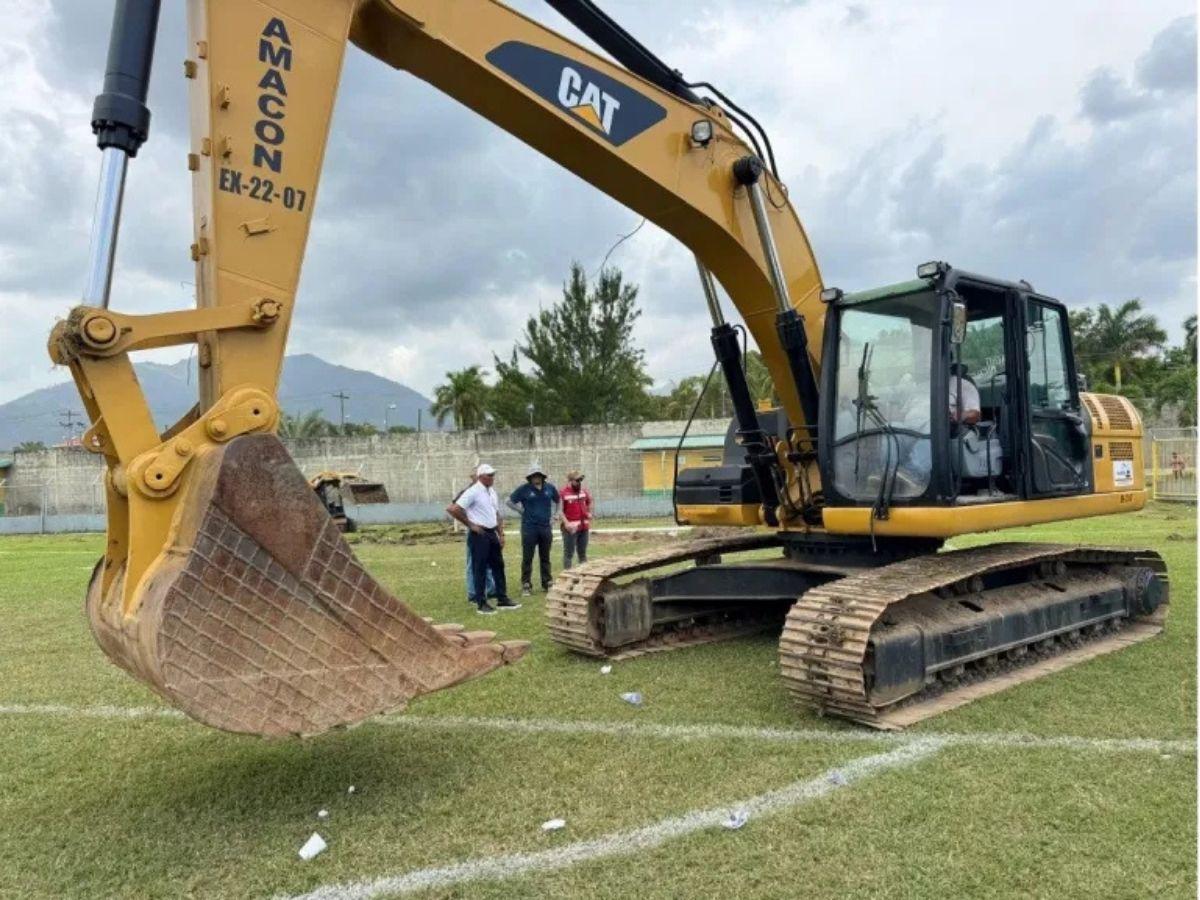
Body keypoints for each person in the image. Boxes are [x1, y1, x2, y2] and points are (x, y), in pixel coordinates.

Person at [446, 463, 518, 615]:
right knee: (479, 568)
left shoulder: (491, 492)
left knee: (498, 565)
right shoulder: (473, 491)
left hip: (492, 532)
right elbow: (453, 509)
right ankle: (481, 602)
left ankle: (502, 598)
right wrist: (471, 525)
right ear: (480, 476)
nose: (492, 478)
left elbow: (496, 514)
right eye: (489, 475)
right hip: (479, 533)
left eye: (493, 475)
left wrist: (501, 534)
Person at [507, 465, 560, 596]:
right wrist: (520, 510)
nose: (536, 478)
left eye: (538, 475)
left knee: (545, 556)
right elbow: (509, 501)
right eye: (533, 476)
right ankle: (526, 584)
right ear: (530, 477)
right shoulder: (524, 489)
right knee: (527, 557)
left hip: (545, 527)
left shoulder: (550, 488)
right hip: (529, 528)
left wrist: (556, 514)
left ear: (542, 476)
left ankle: (547, 582)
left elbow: (559, 500)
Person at [454, 473, 495, 604]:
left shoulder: (488, 491)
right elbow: (455, 508)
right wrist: (471, 523)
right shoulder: (469, 492)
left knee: (488, 561)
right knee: (473, 563)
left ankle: (491, 589)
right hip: (476, 532)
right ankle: (473, 593)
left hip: (488, 530)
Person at [560, 469, 593, 568]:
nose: (579, 482)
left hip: (584, 527)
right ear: (570, 481)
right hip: (571, 529)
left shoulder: (583, 491)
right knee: (568, 554)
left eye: (580, 480)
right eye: (577, 480)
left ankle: (584, 574)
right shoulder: (563, 493)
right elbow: (559, 510)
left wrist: (589, 512)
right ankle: (567, 574)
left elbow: (590, 501)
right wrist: (566, 523)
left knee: (582, 554)